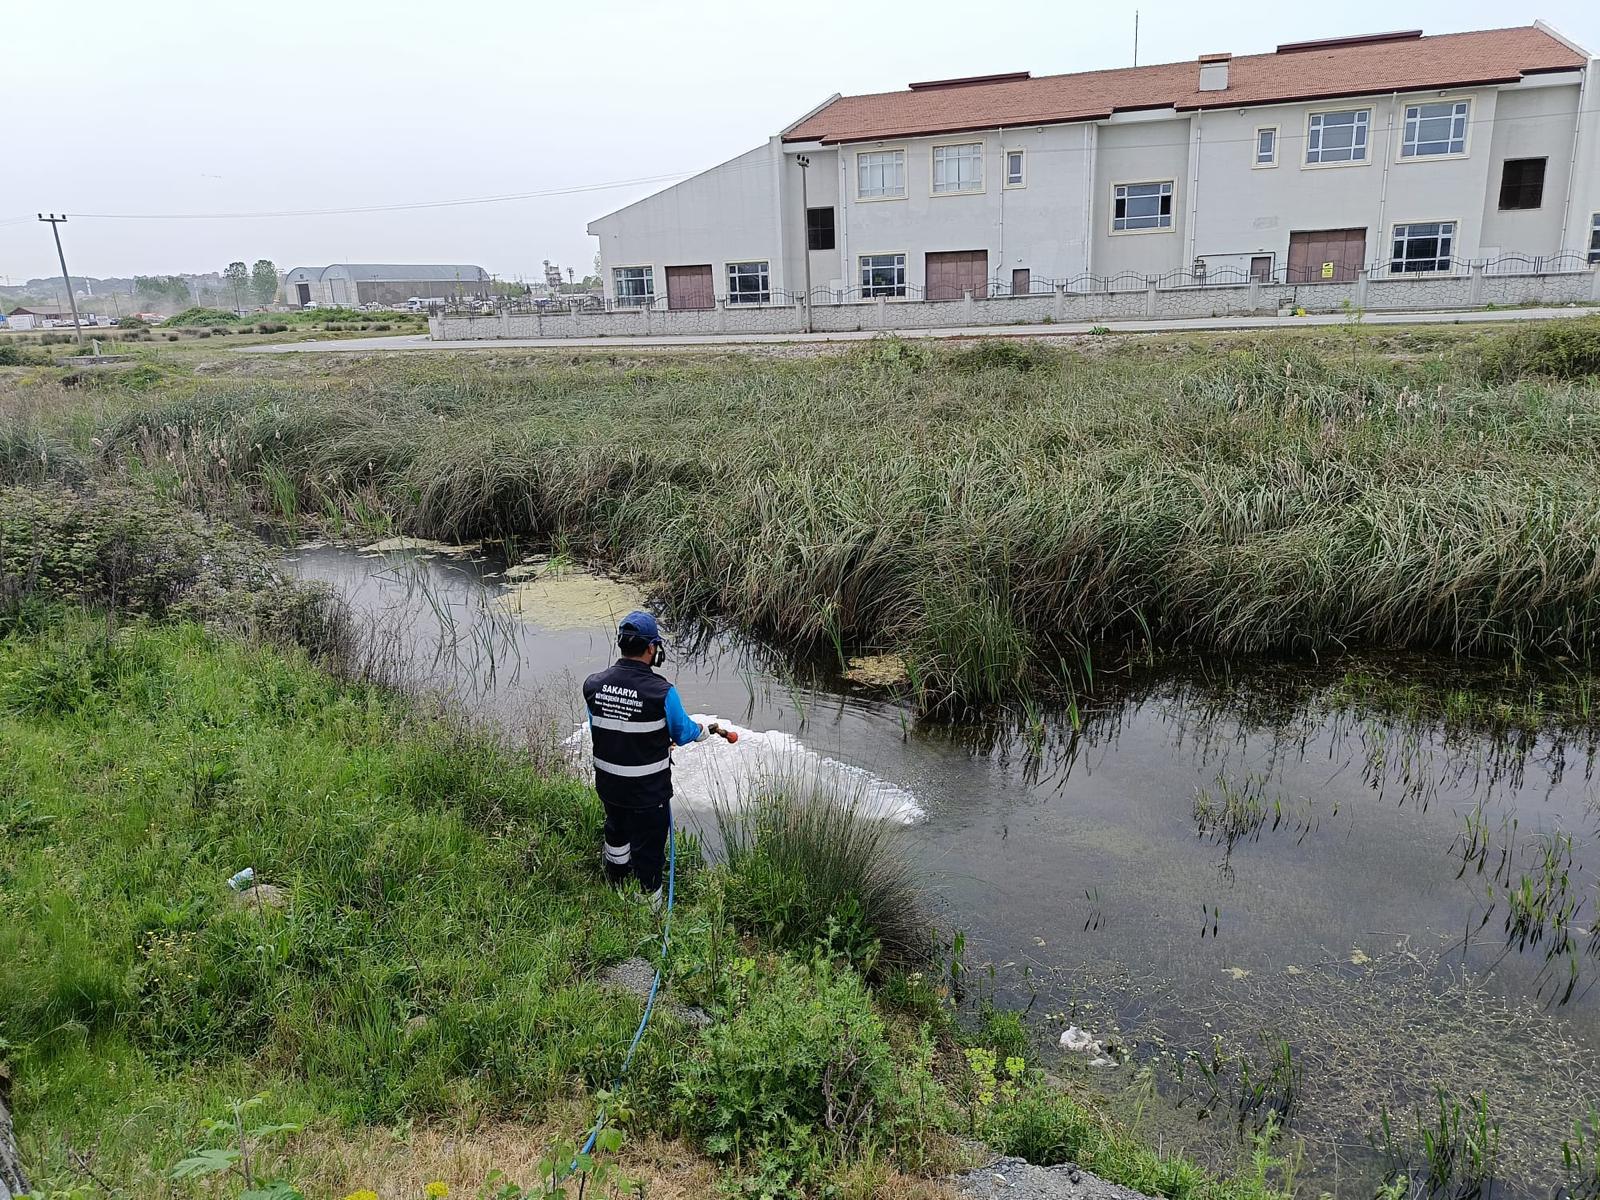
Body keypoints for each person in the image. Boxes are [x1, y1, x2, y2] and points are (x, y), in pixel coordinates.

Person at [582, 610, 716, 905]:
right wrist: (703, 731)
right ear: (652, 649)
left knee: (616, 829)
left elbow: (602, 729)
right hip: (647, 792)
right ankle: (649, 908)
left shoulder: (593, 685)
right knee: (649, 847)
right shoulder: (662, 692)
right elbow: (683, 732)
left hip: (609, 785)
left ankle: (615, 882)